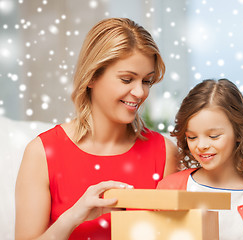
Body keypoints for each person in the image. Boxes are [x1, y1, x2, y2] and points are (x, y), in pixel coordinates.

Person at [15, 18, 178, 240]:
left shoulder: (163, 152)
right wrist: (73, 217)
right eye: (127, 79)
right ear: (92, 77)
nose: (140, 93)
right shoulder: (41, 153)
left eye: (147, 81)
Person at [157, 79, 243, 239]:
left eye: (213, 136)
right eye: (192, 137)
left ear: (238, 133)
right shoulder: (169, 188)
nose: (201, 145)